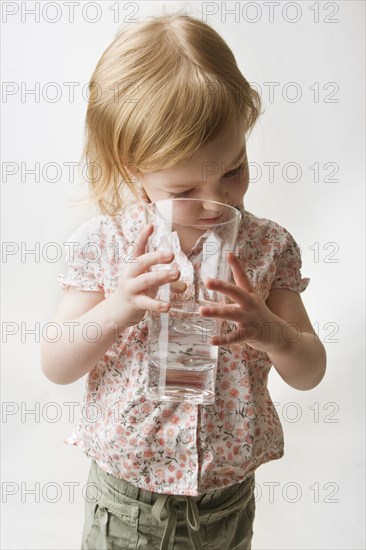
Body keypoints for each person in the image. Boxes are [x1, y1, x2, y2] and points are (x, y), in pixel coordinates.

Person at [41, 13, 327, 550]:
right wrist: (117, 308)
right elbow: (55, 363)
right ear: (132, 168)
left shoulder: (267, 247)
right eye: (185, 188)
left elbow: (310, 370)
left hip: (226, 498)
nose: (219, 200)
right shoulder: (105, 245)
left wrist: (269, 330)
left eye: (234, 170)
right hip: (127, 499)